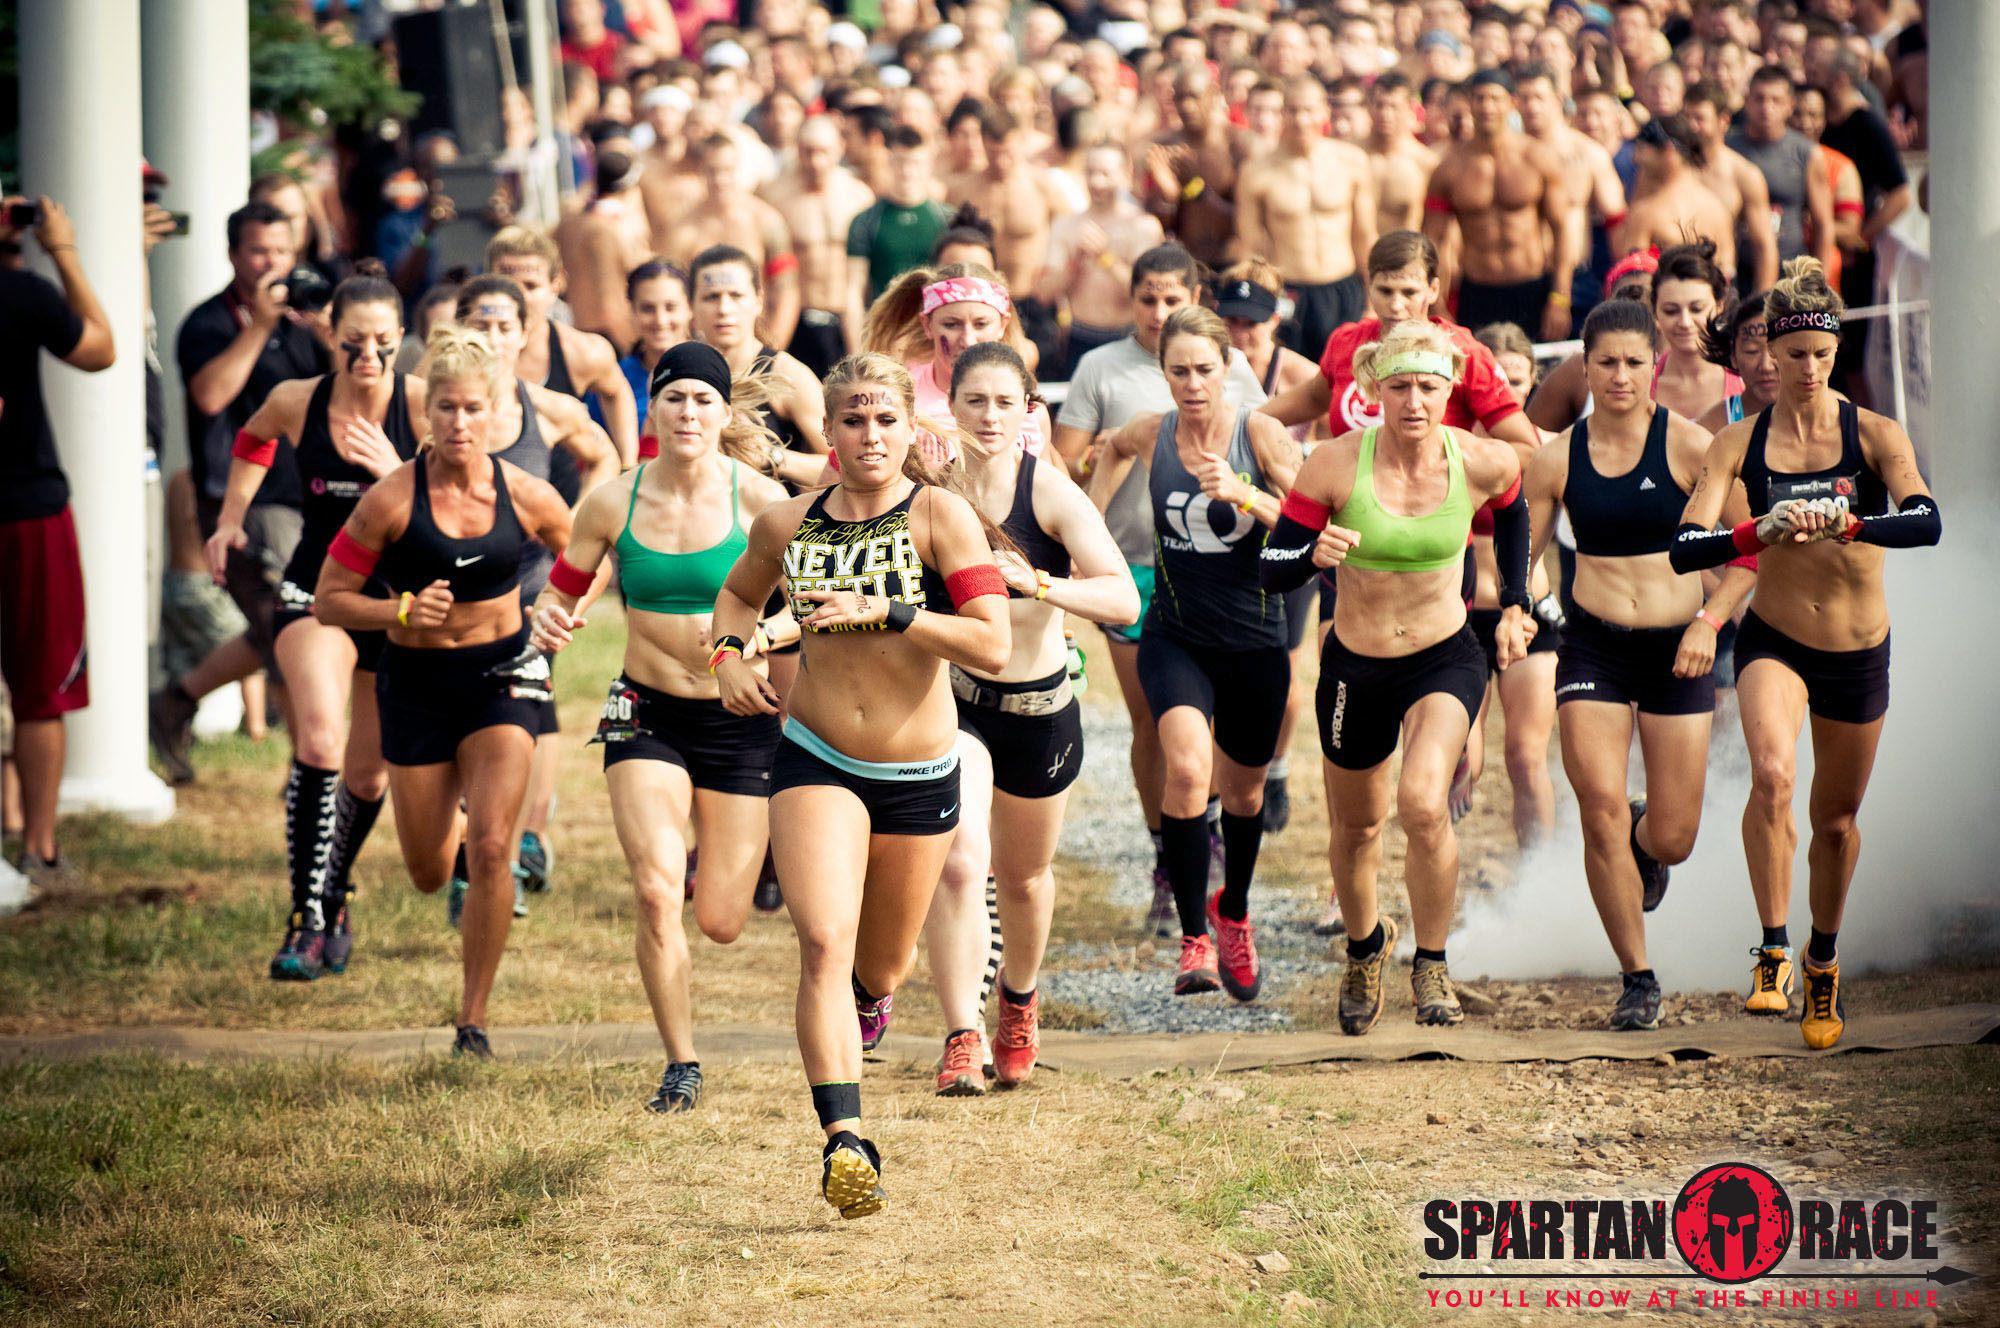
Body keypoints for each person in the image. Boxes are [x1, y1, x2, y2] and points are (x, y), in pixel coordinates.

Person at [709, 351, 1010, 1219]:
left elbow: (990, 644)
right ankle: (845, 1139)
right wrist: (729, 656)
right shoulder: (787, 523)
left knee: (882, 964)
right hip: (817, 756)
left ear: (910, 427)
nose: (870, 436)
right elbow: (735, 600)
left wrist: (894, 612)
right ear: (829, 431)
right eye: (852, 421)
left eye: (886, 420)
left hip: (919, 773)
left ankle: (871, 1004)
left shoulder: (941, 518)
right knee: (822, 943)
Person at [1670, 259, 1940, 1050]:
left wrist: (1855, 526)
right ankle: (1773, 947)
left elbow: (1925, 520)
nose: (1809, 370)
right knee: (1772, 775)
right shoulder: (1738, 443)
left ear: (1835, 352)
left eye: (1823, 355)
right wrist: (1760, 531)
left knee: (1836, 820)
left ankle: (1824, 958)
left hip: (1856, 649)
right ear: (1769, 357)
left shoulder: (1874, 433)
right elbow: (1688, 546)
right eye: (1795, 356)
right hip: (1776, 639)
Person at [529, 342, 791, 1112]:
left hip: (741, 719)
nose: (688, 413)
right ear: (653, 406)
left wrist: (750, 651)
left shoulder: (761, 503)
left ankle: (729, 848)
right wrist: (552, 619)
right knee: (653, 888)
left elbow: (810, 617)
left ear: (724, 412)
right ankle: (681, 1064)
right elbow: (563, 592)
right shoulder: (612, 502)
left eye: (703, 401)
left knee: (721, 921)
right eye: (673, 398)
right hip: (645, 711)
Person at [1259, 321, 1531, 1036]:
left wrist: (1518, 604)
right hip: (1356, 662)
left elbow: (1514, 514)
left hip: (1444, 655)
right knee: (1358, 826)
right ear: (1374, 389)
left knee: (1423, 803)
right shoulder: (1334, 466)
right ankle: (1364, 947)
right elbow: (1272, 566)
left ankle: (1432, 961)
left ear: (1451, 391)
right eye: (1401, 387)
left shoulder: (1480, 460)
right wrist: (1313, 553)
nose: (1415, 402)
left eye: (1430, 388)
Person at [313, 325, 575, 1059]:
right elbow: (329, 600)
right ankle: (453, 828)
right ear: (427, 417)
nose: (460, 424)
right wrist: (396, 609)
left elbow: (584, 556)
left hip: (502, 679)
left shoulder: (525, 493)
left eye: (473, 410)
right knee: (429, 872)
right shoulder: (391, 501)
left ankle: (474, 1019)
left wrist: (558, 611)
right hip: (417, 685)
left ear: (495, 413)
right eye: (446, 410)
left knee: (493, 847)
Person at [1526, 300, 1748, 1030]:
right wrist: (1522, 608)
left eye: (1633, 362)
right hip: (1592, 645)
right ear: (1584, 368)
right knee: (1598, 806)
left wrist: (1710, 621)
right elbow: (1517, 558)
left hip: (1675, 648)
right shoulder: (1556, 456)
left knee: (1673, 837)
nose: (1619, 376)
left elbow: (1748, 554)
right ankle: (1637, 977)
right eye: (1605, 363)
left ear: (1654, 365)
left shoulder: (1689, 447)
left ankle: (1646, 840)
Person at [926, 342, 1138, 1094]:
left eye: (1003, 403)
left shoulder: (1047, 492)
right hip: (957, 706)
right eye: (974, 401)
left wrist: (1042, 584)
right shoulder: (930, 493)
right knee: (958, 859)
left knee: (1024, 879)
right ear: (950, 408)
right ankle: (960, 1034)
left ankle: (1018, 998)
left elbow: (1123, 598)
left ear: (1028, 413)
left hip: (1041, 708)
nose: (988, 416)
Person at [206, 263, 422, 980]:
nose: (367, 361)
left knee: (367, 776)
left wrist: (398, 470)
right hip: (316, 588)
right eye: (352, 344)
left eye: (383, 346)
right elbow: (252, 437)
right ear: (329, 335)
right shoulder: (299, 400)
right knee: (322, 742)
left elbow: (456, 512)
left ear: (402, 340)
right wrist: (230, 519)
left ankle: (334, 890)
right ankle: (305, 920)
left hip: (393, 604)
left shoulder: (421, 407)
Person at [1050, 244, 1270, 937]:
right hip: (1138, 571)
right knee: (1160, 724)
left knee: (1224, 754)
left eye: (1171, 298)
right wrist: (1085, 530)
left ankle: (1207, 842)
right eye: (1146, 297)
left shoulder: (1244, 398)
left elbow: (1291, 486)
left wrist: (1249, 498)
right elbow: (1085, 455)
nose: (1158, 310)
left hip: (1234, 586)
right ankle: (1167, 854)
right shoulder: (1102, 370)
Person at [1088, 307, 1303, 1003]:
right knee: (1185, 772)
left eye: (1203, 369)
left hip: (1255, 643)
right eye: (1176, 370)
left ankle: (1233, 910)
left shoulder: (1260, 433)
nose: (1191, 383)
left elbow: (1318, 516)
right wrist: (1091, 531)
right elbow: (1110, 448)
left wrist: (1245, 494)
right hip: (1176, 635)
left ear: (1228, 367)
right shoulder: (1155, 433)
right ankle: (1193, 941)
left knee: (1242, 794)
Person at [452, 275, 620, 912]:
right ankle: (479, 847)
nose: (493, 338)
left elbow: (604, 458)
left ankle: (500, 857)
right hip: (453, 595)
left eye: (505, 326)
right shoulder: (431, 403)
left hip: (530, 592)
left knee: (513, 720)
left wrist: (579, 538)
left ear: (526, 334)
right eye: (480, 324)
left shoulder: (547, 408)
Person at [153, 200, 328, 784]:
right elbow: (209, 396)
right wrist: (259, 326)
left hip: (308, 495)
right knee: (289, 624)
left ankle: (174, 701)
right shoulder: (208, 323)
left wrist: (328, 331)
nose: (272, 263)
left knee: (275, 623)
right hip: (240, 500)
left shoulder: (304, 323)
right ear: (233, 254)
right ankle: (308, 768)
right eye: (259, 251)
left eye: (281, 251)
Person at [0, 197, 114, 890]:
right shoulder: (23, 291)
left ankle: (28, 842)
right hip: (28, 508)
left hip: (28, 504)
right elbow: (101, 348)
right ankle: (37, 849)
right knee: (41, 685)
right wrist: (62, 248)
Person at [1215, 259, 1321, 831]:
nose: (1240, 333)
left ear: (1273, 321)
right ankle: (1222, 784)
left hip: (1284, 534)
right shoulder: (1209, 374)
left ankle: (1275, 771)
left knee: (1282, 670)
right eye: (1229, 320)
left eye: (1250, 322)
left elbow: (1332, 450)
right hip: (1223, 536)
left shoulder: (1302, 376)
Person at [1456, 321, 1560, 846]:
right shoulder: (1451, 446)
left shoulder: (1544, 449)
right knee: (1461, 763)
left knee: (1524, 757)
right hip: (1459, 617)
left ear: (1531, 381)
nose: (1504, 390)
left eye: (1515, 380)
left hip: (1529, 610)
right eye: (1494, 379)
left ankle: (1539, 888)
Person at [1422, 70, 1579, 342]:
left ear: (1511, 102)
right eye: (1479, 98)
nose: (1487, 107)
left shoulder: (1538, 158)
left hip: (1532, 289)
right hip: (1478, 291)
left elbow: (1563, 230)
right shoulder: (1448, 169)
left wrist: (1560, 297)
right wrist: (1436, 304)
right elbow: (1432, 240)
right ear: (1469, 103)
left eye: (1495, 98)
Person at [1235, 76, 1377, 363]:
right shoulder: (1257, 171)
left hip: (1343, 288)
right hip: (1290, 290)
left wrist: (1373, 302)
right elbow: (1250, 247)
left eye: (1309, 110)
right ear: (1282, 114)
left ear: (1325, 111)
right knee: (1289, 377)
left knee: (1349, 377)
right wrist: (1254, 307)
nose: (1301, 120)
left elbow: (1365, 236)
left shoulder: (1352, 161)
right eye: (1293, 110)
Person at [484, 226, 640, 469]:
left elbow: (616, 392)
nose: (519, 297)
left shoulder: (581, 352)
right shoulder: (459, 352)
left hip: (562, 501)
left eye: (531, 285)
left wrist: (627, 466)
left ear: (556, 285)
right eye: (508, 284)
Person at [862, 262, 1050, 454]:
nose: (967, 340)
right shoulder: (896, 398)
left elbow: (1050, 479)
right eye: (952, 325)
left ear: (1002, 325)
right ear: (927, 325)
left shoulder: (1031, 413)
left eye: (981, 324)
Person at [946, 109, 1068, 368]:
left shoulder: (1042, 186)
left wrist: (1054, 277)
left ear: (1020, 142)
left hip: (1031, 301)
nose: (1000, 161)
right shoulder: (962, 189)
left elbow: (1069, 233)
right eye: (993, 153)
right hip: (980, 304)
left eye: (1007, 153)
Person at [661, 134, 803, 350]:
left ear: (739, 170)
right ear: (701, 171)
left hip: (757, 338)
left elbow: (787, 289)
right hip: (701, 343)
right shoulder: (683, 230)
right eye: (712, 171)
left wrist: (771, 350)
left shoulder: (766, 221)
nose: (720, 179)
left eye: (727, 170)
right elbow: (670, 293)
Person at [1034, 142, 1163, 379]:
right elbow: (1044, 294)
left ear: (1126, 174)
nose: (1096, 182)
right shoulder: (1066, 225)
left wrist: (1105, 259)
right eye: (1091, 172)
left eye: (1104, 173)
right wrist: (1075, 264)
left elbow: (1147, 293)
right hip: (1079, 336)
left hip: (1128, 336)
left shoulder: (1143, 226)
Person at [763, 116, 876, 379]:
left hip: (843, 318)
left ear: (840, 148)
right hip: (796, 319)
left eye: (823, 151)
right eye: (807, 151)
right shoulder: (775, 195)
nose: (816, 161)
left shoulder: (858, 196)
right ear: (796, 149)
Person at [845, 126, 953, 353]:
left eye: (915, 163)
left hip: (935, 334)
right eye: (900, 162)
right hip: (886, 333)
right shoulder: (866, 221)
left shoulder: (947, 219)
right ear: (889, 163)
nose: (907, 171)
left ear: (929, 166)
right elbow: (854, 291)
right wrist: (857, 350)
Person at [1727, 68, 1835, 273]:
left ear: (1790, 105)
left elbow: (1823, 225)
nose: (1766, 108)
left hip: (1789, 269)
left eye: (1776, 100)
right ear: (1747, 101)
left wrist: (1820, 283)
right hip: (1737, 267)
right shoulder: (1728, 148)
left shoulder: (1807, 153)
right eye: (1759, 99)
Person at [1613, 117, 1740, 283]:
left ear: (1669, 150)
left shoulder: (1647, 213)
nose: (1636, 158)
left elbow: (1631, 284)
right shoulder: (1718, 208)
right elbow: (1727, 273)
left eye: (1641, 149)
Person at [1683, 81, 1780, 294]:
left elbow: (1764, 246)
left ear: (1723, 121)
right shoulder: (1672, 168)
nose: (1691, 126)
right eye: (1686, 118)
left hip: (1720, 282)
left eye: (1699, 118)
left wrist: (1761, 308)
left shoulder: (1744, 175)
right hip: (1674, 281)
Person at [1650, 240, 1744, 424]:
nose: (1685, 322)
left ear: (1719, 306)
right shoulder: (1640, 382)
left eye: (1697, 309)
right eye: (1671, 310)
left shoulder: (1746, 378)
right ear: (1655, 312)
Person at [617, 260, 693, 441]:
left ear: (690, 308)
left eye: (671, 307)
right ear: (632, 311)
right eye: (647, 309)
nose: (660, 320)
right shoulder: (616, 377)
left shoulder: (715, 370)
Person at [1365, 73, 1440, 236]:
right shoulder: (1352, 155)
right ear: (1369, 106)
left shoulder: (1425, 162)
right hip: (1358, 258)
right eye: (1379, 105)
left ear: (1410, 108)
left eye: (1394, 107)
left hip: (1404, 256)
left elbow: (1436, 226)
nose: (1386, 114)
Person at [1694, 293, 1778, 436]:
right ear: (1733, 356)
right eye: (1751, 351)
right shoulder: (1711, 429)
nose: (1765, 366)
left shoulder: (1827, 417)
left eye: (1775, 351)